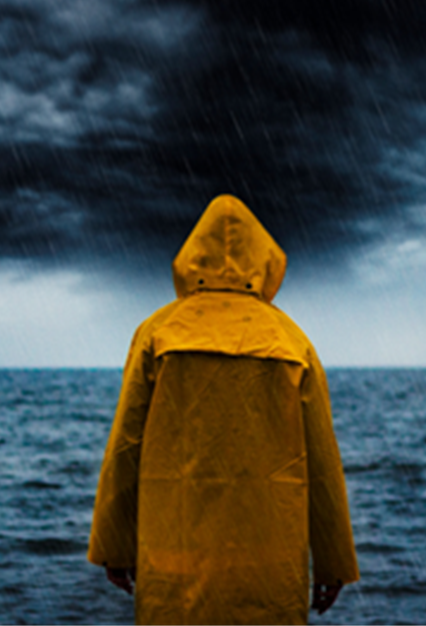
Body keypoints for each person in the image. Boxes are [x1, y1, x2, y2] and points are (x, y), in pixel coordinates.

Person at [88, 194, 359, 625]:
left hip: (176, 565)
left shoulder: (157, 333)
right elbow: (322, 463)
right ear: (264, 261)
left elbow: (125, 447)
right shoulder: (292, 341)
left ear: (191, 259)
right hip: (270, 568)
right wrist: (333, 562)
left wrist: (114, 545)